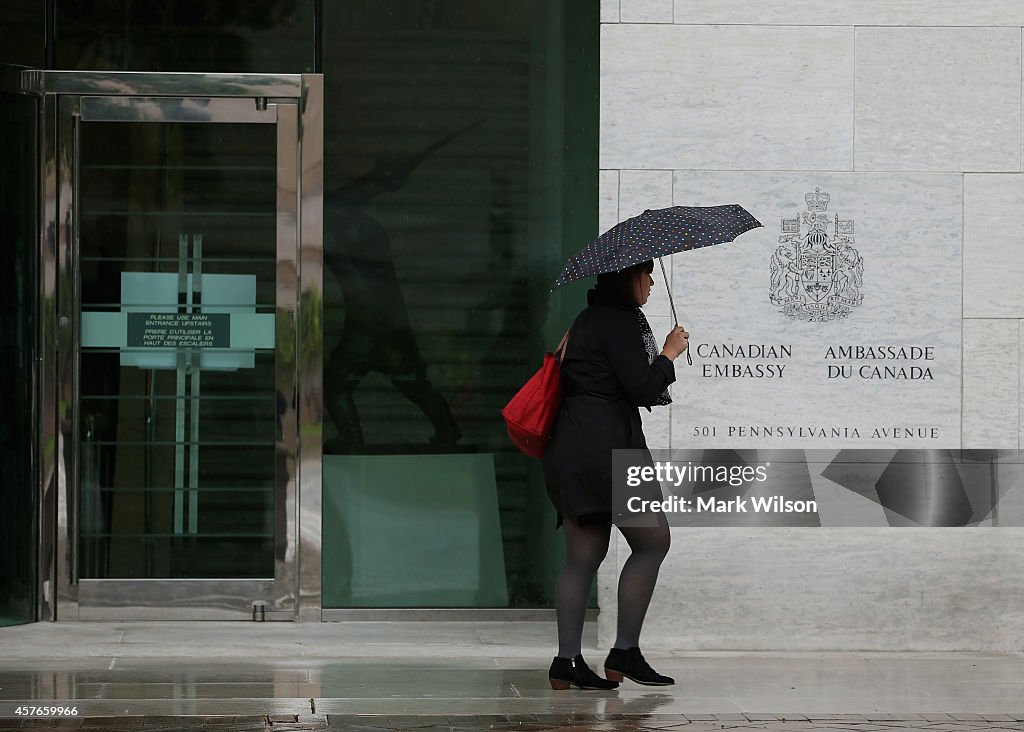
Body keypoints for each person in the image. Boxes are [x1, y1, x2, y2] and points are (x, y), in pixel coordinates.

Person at [543, 260, 689, 690]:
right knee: (653, 542)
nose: (651, 285)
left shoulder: (586, 320)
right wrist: (668, 353)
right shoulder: (621, 321)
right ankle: (624, 651)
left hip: (570, 448)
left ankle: (566, 662)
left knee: (581, 559)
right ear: (629, 279)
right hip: (612, 450)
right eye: (647, 276)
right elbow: (641, 386)